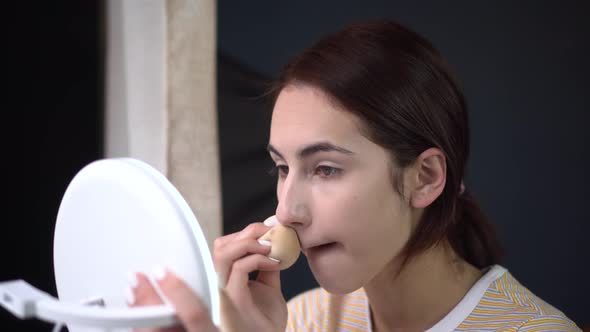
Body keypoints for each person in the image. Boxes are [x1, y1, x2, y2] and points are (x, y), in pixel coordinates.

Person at [126, 20, 581, 331]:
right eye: (283, 168)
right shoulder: (300, 320)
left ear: (424, 177)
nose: (286, 211)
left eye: (325, 169)